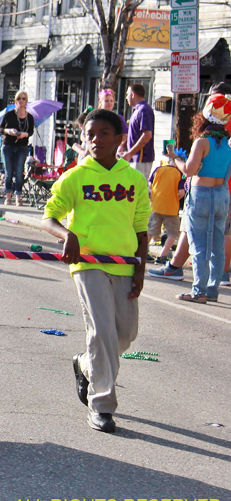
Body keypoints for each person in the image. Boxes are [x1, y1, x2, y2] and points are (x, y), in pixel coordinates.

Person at [41, 108, 149, 433]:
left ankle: (86, 364)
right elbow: (49, 217)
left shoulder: (134, 179)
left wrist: (141, 266)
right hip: (87, 265)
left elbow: (142, 229)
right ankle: (101, 406)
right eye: (90, 134)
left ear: (119, 139)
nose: (96, 139)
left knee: (125, 334)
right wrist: (67, 235)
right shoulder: (75, 176)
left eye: (104, 133)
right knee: (102, 332)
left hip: (125, 264)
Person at [166, 93, 231, 303]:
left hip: (201, 194)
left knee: (199, 243)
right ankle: (212, 289)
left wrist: (176, 160)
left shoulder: (203, 142)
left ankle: (199, 291)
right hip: (221, 194)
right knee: (217, 243)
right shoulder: (229, 145)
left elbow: (191, 170)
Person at [146, 154, 186, 266]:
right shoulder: (181, 174)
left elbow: (150, 184)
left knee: (151, 231)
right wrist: (174, 198)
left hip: (156, 206)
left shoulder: (158, 169)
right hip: (171, 208)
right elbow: (181, 192)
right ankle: (162, 256)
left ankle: (143, 252)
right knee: (172, 233)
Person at [0, 90, 35, 206]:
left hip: (22, 146)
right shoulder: (9, 114)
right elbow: (0, 129)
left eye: (23, 98)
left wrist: (25, 134)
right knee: (9, 173)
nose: (21, 101)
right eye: (19, 98)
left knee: (19, 172)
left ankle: (18, 197)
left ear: (26, 101)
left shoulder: (29, 117)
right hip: (8, 145)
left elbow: (31, 131)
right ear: (15, 101)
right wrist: (8, 131)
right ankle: (8, 196)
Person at [122, 83, 155, 177]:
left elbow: (147, 135)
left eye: (127, 94)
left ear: (133, 95)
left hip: (141, 158)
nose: (126, 97)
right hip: (134, 157)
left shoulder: (144, 110)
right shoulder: (137, 110)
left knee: (138, 187)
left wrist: (130, 153)